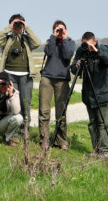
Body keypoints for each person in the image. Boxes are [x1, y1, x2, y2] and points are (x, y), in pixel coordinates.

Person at [71, 32, 108, 160]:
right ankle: (96, 149)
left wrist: (97, 51)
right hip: (88, 93)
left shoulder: (102, 49)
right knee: (92, 123)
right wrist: (77, 65)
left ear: (94, 41)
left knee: (102, 123)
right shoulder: (82, 51)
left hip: (101, 92)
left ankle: (104, 150)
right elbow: (73, 69)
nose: (86, 46)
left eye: (88, 44)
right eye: (84, 43)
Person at [0, 14, 41, 129]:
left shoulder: (27, 40)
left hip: (26, 76)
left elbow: (37, 42)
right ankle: (12, 131)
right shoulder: (7, 40)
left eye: (20, 24)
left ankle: (25, 132)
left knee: (25, 104)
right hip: (10, 75)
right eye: (16, 24)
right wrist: (10, 28)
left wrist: (27, 28)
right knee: (12, 103)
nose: (18, 26)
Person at [38, 20, 75, 151]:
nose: (60, 32)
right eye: (57, 29)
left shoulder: (70, 42)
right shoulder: (50, 40)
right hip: (47, 78)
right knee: (44, 111)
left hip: (62, 80)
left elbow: (67, 55)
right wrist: (54, 37)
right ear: (53, 31)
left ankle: (61, 140)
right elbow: (48, 52)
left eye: (62, 29)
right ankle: (44, 139)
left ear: (66, 30)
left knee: (61, 112)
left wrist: (64, 39)